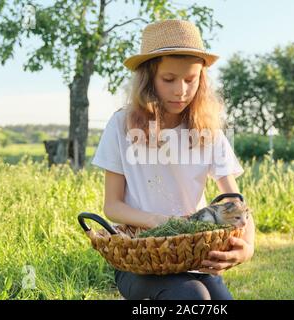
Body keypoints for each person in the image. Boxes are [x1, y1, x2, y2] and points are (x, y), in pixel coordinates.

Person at [91, 19, 255, 300]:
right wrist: (159, 221)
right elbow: (112, 205)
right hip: (142, 257)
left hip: (193, 254)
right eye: (169, 79)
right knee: (193, 298)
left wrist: (248, 246)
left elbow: (234, 197)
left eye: (191, 80)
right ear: (148, 78)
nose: (181, 90)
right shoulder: (121, 125)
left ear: (201, 79)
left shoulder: (207, 129)